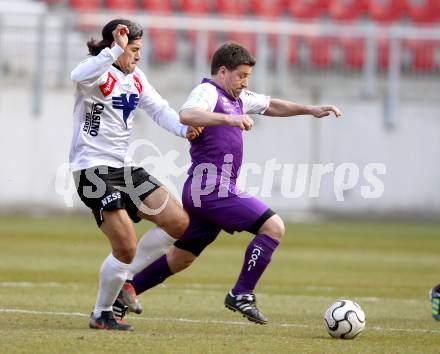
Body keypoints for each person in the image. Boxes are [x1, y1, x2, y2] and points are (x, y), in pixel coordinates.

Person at [114, 42, 342, 324]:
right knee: (274, 227)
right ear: (223, 71)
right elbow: (187, 114)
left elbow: (272, 105)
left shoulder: (239, 97)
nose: (245, 82)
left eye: (247, 76)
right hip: (209, 188)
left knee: (182, 258)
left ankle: (124, 294)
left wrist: (310, 109)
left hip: (210, 190)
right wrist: (229, 119)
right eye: (241, 75)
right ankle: (241, 293)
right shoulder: (208, 92)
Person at [69, 18, 201, 331]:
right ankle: (102, 313)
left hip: (124, 167)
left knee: (178, 222)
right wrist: (114, 50)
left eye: (140, 49)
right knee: (126, 245)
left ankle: (126, 281)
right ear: (116, 47)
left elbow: (159, 109)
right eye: (134, 49)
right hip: (92, 169)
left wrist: (184, 129)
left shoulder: (137, 78)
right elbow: (77, 75)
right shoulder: (97, 71)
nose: (138, 56)